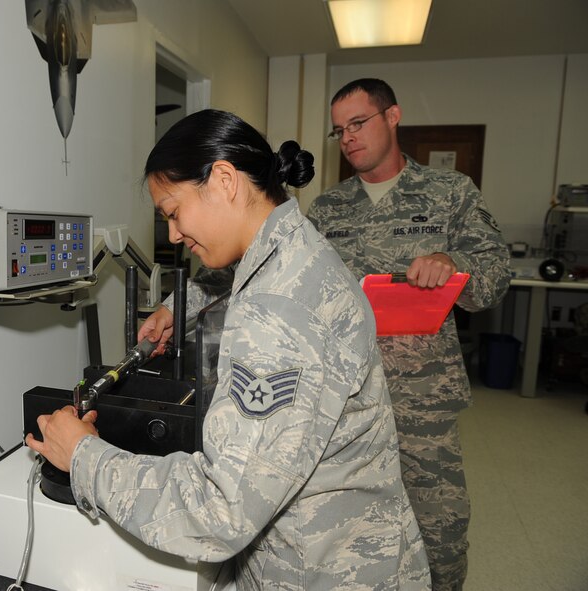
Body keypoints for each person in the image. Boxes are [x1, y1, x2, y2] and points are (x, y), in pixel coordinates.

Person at [26, 109, 430, 590]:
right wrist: (180, 306)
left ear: (223, 180)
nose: (173, 234)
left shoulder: (275, 314)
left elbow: (221, 511)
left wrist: (83, 456)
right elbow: (233, 274)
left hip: (324, 570)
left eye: (174, 212)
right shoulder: (293, 246)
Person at [306, 78, 511, 591]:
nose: (348, 138)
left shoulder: (449, 193)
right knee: (343, 527)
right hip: (344, 397)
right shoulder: (327, 211)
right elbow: (285, 278)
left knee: (439, 524)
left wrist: (452, 262)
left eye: (358, 123)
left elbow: (494, 276)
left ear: (392, 117)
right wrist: (187, 303)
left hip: (422, 394)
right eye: (339, 131)